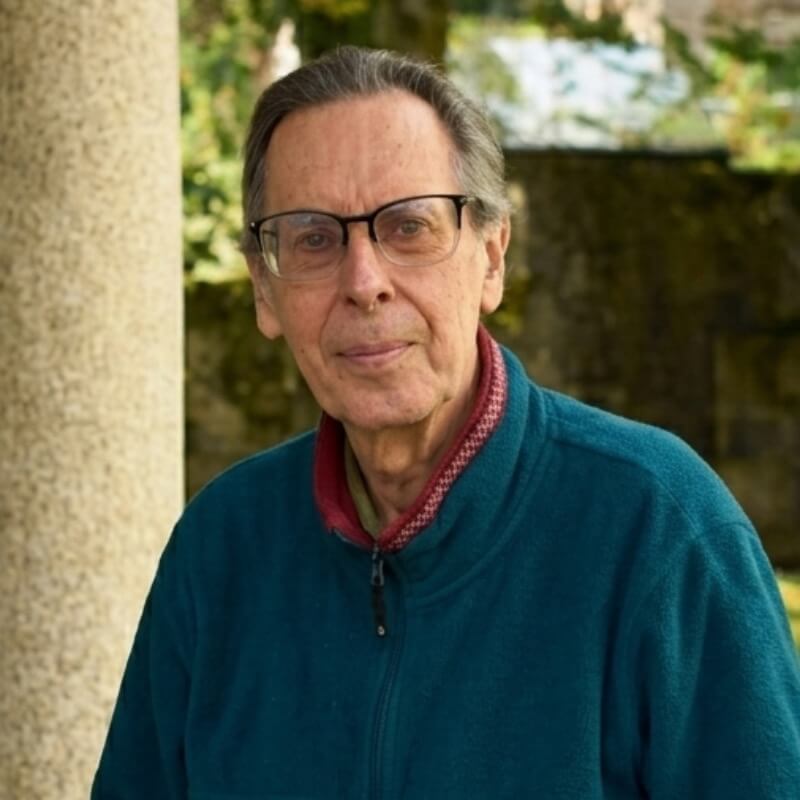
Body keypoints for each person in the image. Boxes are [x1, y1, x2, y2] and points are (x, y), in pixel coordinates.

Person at [92, 46, 800, 799]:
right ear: (265, 292)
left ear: (491, 258)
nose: (364, 282)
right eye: (314, 238)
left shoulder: (660, 528)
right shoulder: (219, 550)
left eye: (408, 227)